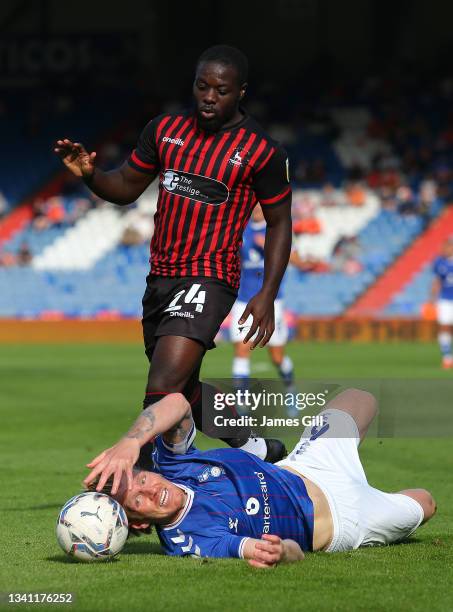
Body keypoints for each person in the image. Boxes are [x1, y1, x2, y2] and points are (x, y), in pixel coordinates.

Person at [54, 45, 293, 463]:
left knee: (163, 384)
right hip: (160, 277)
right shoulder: (165, 130)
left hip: (210, 276)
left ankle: (147, 478)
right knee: (186, 388)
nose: (209, 96)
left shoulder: (262, 150)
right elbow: (126, 186)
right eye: (203, 86)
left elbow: (279, 223)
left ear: (241, 92)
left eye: (221, 90)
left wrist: (267, 292)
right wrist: (91, 175)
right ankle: (255, 448)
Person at [84, 388, 436, 568]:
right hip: (346, 520)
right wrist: (280, 551)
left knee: (360, 398)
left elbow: (176, 401)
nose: (150, 491)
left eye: (142, 481)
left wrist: (131, 442)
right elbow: (285, 552)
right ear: (141, 524)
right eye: (137, 502)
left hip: (306, 467)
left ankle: (347, 463)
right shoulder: (190, 541)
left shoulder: (174, 466)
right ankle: (378, 497)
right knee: (425, 502)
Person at [230, 204, 305, 401]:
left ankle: (290, 391)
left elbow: (298, 261)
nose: (256, 208)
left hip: (272, 302)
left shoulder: (278, 227)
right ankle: (241, 404)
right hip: (243, 300)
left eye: (259, 205)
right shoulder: (240, 228)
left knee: (277, 357)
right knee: (241, 349)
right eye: (253, 205)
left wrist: (270, 246)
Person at [430, 237, 453, 369]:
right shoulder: (439, 262)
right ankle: (447, 357)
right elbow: (437, 281)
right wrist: (432, 298)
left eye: (448, 246)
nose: (444, 249)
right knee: (444, 326)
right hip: (445, 299)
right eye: (444, 246)